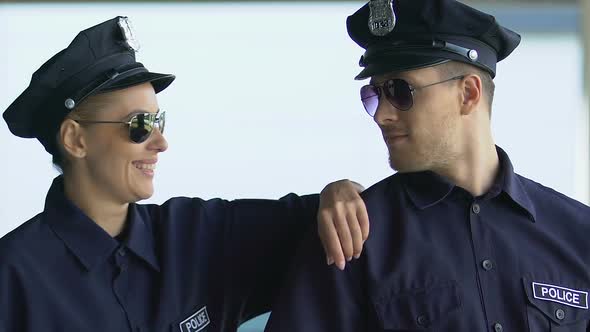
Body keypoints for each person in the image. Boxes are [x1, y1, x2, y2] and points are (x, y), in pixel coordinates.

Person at [0, 17, 369, 332]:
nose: (160, 142)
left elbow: (339, 223)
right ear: (75, 139)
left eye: (158, 120)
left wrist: (339, 192)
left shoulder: (199, 236)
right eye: (140, 124)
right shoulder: (13, 276)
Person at [264, 0, 590, 331]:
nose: (381, 115)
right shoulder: (354, 240)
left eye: (400, 91)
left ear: (468, 94)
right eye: (374, 94)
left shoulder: (579, 235)